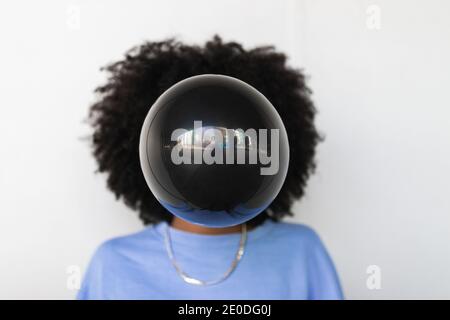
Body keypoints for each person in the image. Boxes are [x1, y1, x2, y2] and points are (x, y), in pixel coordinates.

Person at [78, 36, 343, 300]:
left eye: (236, 140)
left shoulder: (301, 253)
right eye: (202, 142)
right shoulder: (113, 264)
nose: (215, 153)